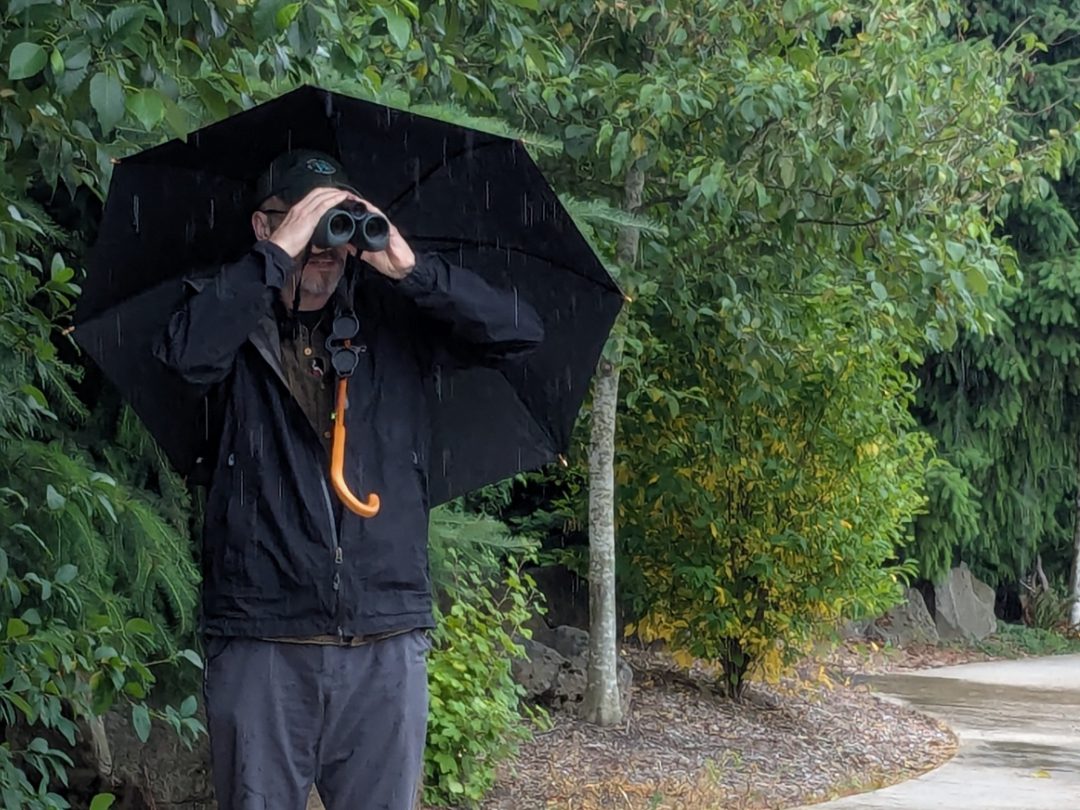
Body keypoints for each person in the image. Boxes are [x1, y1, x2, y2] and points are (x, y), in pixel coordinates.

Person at [154, 149, 544, 810]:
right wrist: (275, 257)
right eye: (304, 221)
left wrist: (412, 269)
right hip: (262, 634)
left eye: (336, 222)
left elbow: (519, 333)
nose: (323, 244)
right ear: (262, 224)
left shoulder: (395, 321)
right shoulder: (228, 315)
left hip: (384, 634)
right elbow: (183, 359)